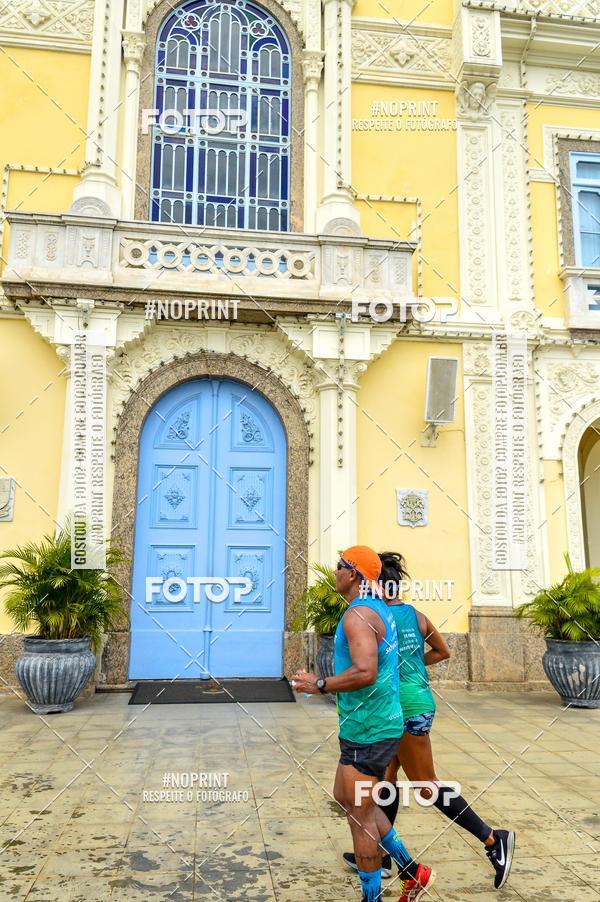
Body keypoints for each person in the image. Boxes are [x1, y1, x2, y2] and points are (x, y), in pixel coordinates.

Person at [343, 551, 516, 896]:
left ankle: (494, 839)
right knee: (386, 779)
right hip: (412, 702)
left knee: (426, 785)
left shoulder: (375, 617)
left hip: (403, 707)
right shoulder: (416, 615)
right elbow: (443, 651)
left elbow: (370, 665)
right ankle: (385, 853)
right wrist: (414, 667)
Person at [292, 546, 436, 902]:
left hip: (370, 732)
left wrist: (319, 683)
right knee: (349, 798)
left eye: (340, 566)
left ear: (353, 574)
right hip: (366, 727)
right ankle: (413, 871)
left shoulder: (358, 616)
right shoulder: (377, 609)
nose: (336, 571)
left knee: (360, 818)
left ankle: (373, 896)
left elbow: (365, 672)